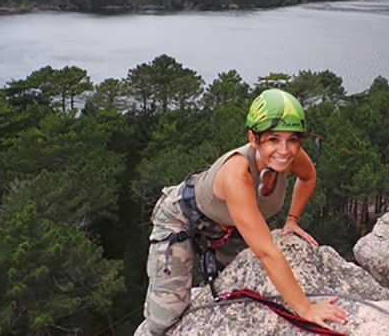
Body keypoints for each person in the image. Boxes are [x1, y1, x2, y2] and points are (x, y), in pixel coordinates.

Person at [136, 89, 348, 335]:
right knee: (165, 318)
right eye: (273, 139)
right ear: (253, 138)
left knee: (236, 284)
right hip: (182, 218)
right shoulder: (237, 174)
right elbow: (266, 253)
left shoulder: (290, 156)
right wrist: (305, 308)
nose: (284, 149)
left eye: (293, 139)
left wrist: (292, 220)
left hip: (227, 226)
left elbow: (308, 177)